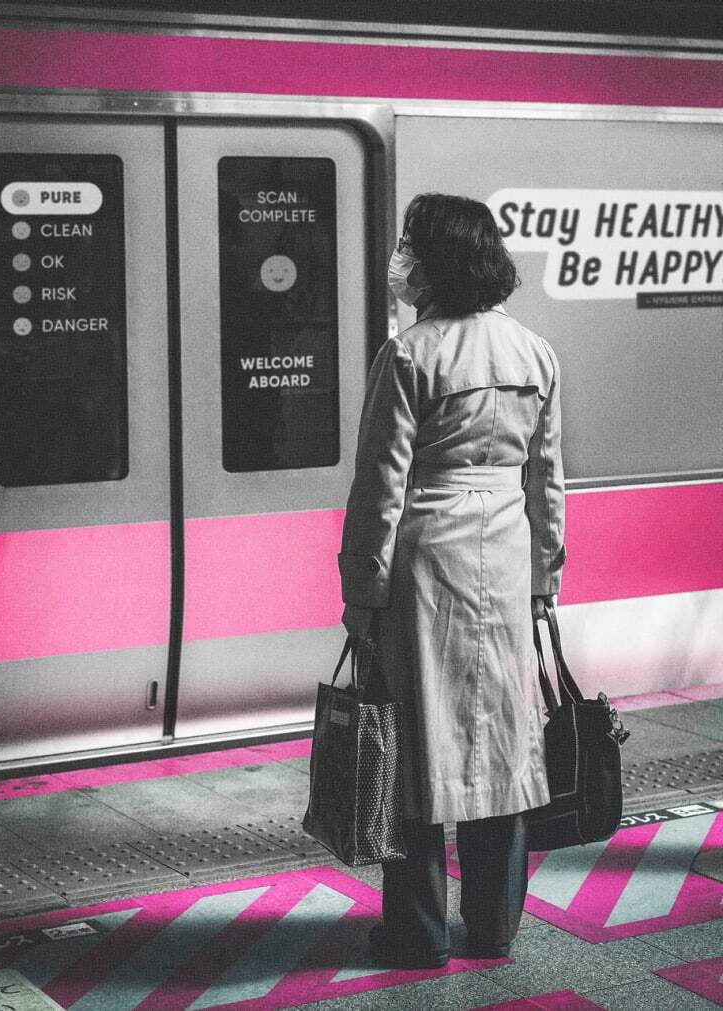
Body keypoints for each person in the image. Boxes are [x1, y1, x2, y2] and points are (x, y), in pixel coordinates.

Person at [338, 193, 566, 968]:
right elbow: (548, 483)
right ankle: (496, 925)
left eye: (409, 245)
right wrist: (544, 580)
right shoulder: (536, 353)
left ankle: (418, 932)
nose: (400, 259)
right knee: (501, 744)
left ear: (434, 260)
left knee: (415, 743)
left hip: (424, 563)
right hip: (505, 563)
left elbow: (379, 489)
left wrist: (361, 593)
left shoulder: (408, 354)